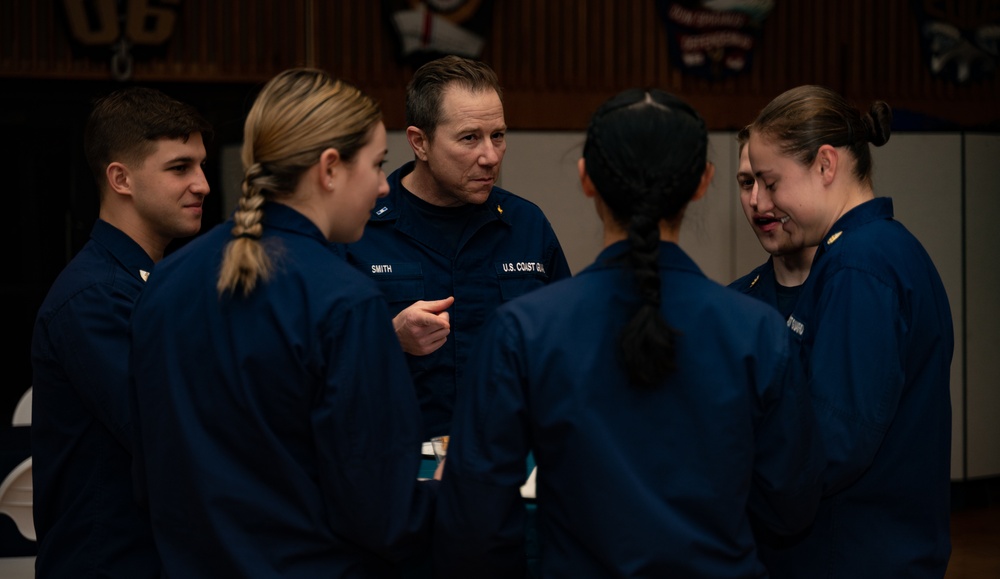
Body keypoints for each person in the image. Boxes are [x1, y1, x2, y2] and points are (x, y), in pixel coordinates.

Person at [433, 88, 825, 578]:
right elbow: (790, 504)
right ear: (703, 183)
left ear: (586, 180)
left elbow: (474, 518)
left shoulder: (524, 331)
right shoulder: (758, 331)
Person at [128, 68, 437, 578]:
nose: (384, 188)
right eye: (378, 165)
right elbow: (384, 514)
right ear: (330, 168)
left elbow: (150, 475)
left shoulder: (166, 282)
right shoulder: (344, 301)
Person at [746, 84, 954, 578]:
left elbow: (831, 444)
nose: (760, 201)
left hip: (855, 555)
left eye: (771, 182)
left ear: (825, 165)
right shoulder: (880, 251)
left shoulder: (860, 264)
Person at [335, 55, 572, 442]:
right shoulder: (359, 227)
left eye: (497, 135)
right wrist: (387, 337)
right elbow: (314, 364)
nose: (491, 156)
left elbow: (565, 350)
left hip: (505, 462)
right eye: (469, 138)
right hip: (396, 464)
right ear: (419, 142)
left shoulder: (526, 225)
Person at [29, 87, 211, 577]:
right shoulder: (94, 298)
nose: (203, 185)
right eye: (180, 168)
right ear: (121, 178)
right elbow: (174, 433)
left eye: (201, 165)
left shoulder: (154, 284)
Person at [729, 125, 817, 320]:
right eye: (747, 182)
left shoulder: (848, 285)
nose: (755, 200)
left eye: (770, 182)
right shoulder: (733, 305)